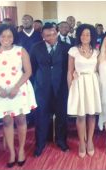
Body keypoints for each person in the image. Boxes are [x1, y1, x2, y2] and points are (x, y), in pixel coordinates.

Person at [0, 24, 37, 167]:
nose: (6, 39)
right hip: (0, 90)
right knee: (7, 122)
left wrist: (16, 87)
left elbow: (28, 71)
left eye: (9, 36)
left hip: (19, 88)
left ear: (14, 37)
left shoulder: (21, 50)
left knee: (21, 120)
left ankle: (21, 151)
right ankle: (12, 153)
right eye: (3, 36)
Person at [30, 23, 70, 157]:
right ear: (42, 36)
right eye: (48, 35)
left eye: (53, 33)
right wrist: (39, 82)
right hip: (42, 88)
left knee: (61, 116)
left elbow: (69, 68)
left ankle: (61, 141)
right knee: (41, 117)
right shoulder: (36, 48)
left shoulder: (66, 48)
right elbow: (32, 69)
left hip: (61, 87)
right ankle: (40, 144)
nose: (52, 37)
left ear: (57, 32)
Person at [67, 24, 101, 158]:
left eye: (88, 34)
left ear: (92, 36)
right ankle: (82, 142)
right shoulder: (73, 50)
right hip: (79, 83)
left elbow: (99, 70)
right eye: (82, 34)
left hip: (92, 83)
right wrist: (70, 88)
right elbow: (69, 72)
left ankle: (90, 141)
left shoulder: (97, 51)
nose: (85, 37)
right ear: (79, 36)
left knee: (91, 114)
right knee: (81, 115)